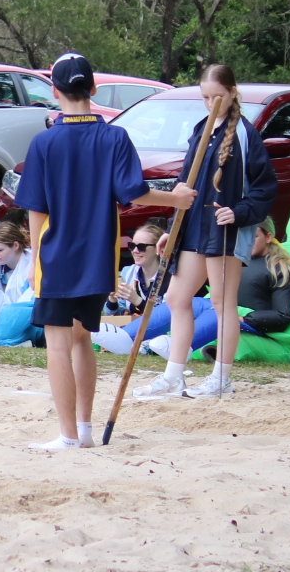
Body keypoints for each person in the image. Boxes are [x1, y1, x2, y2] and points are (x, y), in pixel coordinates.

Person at [14, 51, 196, 450]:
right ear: (93, 88)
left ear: (55, 91)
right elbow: (134, 191)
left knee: (59, 343)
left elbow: (36, 209)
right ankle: (84, 430)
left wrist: (34, 261)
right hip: (99, 257)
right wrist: (175, 198)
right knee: (82, 339)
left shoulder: (45, 142)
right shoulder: (115, 136)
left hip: (58, 257)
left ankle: (67, 435)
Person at [133, 61, 274, 399]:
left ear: (233, 93)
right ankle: (173, 376)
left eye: (218, 97)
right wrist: (173, 230)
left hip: (225, 229)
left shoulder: (245, 135)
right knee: (176, 297)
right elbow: (187, 184)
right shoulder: (201, 130)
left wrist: (238, 212)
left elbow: (265, 187)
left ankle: (221, 377)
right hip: (195, 227)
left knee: (223, 303)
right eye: (206, 98)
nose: (212, 105)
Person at [91, 220, 218, 358]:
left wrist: (137, 300)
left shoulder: (173, 276)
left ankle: (147, 345)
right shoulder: (128, 272)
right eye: (132, 245)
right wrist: (112, 299)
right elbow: (115, 314)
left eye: (142, 247)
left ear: (159, 248)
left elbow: (167, 315)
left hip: (179, 327)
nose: (135, 251)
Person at [235, 218, 290, 340]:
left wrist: (244, 320)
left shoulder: (282, 269)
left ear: (268, 237)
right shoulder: (234, 263)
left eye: (253, 236)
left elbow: (284, 315)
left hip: (253, 328)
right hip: (227, 318)